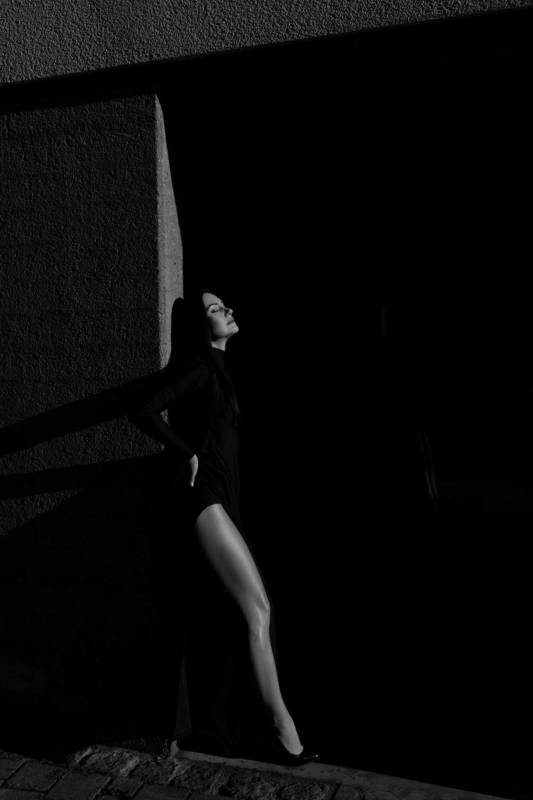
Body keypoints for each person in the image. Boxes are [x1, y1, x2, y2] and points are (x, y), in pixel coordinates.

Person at [128, 290, 319, 766]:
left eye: (225, 305)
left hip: (221, 502)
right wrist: (184, 452)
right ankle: (283, 731)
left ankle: (231, 729)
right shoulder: (198, 369)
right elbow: (142, 409)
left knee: (240, 614)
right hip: (203, 501)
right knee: (258, 609)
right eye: (215, 309)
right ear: (200, 327)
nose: (228, 310)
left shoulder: (219, 372)